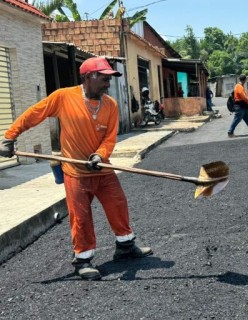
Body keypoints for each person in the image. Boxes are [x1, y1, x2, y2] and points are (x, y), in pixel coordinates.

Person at [0, 57, 152, 281]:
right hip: (76, 172)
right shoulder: (63, 97)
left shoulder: (110, 105)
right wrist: (10, 137)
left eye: (109, 78)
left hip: (102, 169)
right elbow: (35, 114)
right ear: (88, 77)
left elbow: (110, 139)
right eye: (104, 78)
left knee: (118, 205)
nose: (107, 83)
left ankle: (126, 246)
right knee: (81, 217)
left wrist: (100, 155)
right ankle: (82, 259)